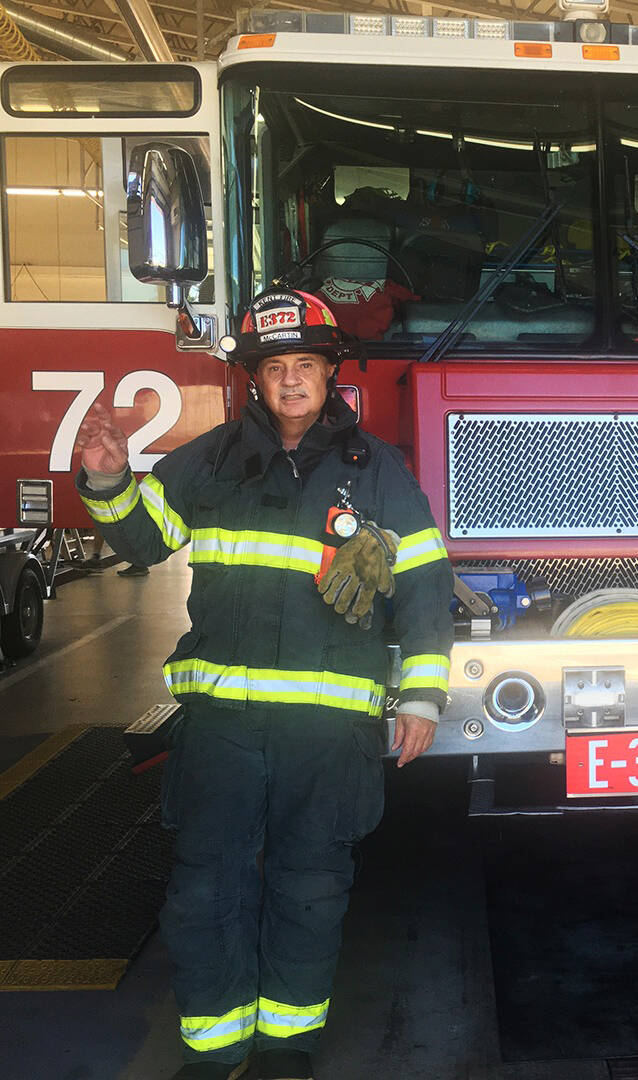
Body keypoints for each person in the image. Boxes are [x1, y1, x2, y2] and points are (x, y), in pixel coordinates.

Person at [73, 287, 454, 1080]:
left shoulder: (376, 472)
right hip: (225, 727)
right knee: (205, 891)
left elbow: (423, 585)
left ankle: (286, 1048)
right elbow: (145, 542)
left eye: (305, 366)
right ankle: (212, 1054)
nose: (291, 382)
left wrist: (420, 696)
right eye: (276, 368)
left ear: (328, 375)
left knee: (309, 888)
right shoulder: (208, 459)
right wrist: (109, 483)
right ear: (255, 378)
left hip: (329, 733)